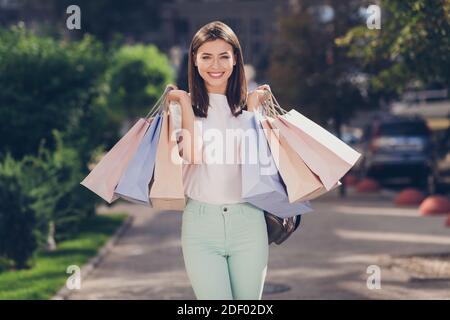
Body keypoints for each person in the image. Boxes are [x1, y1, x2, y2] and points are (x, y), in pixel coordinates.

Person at [166, 21, 271, 300]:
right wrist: (186, 105)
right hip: (201, 226)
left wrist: (252, 110)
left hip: (248, 222)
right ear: (195, 61)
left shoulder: (248, 107)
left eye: (224, 55)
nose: (216, 65)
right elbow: (191, 155)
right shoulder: (180, 107)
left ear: (235, 59)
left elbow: (257, 162)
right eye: (206, 56)